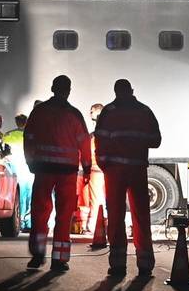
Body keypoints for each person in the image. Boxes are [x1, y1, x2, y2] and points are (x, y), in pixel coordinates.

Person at [22, 75, 90, 272]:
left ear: (52, 88)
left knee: (40, 212)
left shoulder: (39, 112)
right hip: (67, 171)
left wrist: (30, 161)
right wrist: (86, 167)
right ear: (68, 90)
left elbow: (29, 138)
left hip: (43, 169)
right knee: (64, 215)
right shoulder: (74, 115)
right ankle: (59, 260)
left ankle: (37, 255)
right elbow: (84, 142)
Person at [96, 79, 162, 277]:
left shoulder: (108, 112)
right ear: (132, 91)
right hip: (137, 168)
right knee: (141, 215)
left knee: (115, 215)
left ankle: (117, 264)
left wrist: (104, 163)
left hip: (114, 171)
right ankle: (145, 263)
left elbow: (99, 139)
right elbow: (156, 140)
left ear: (115, 91)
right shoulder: (144, 111)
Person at [3, 113, 32, 231]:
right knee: (29, 196)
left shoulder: (8, 135)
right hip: (28, 169)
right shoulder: (31, 135)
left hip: (15, 169)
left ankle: (18, 220)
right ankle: (28, 223)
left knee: (18, 195)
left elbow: (4, 152)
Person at [83, 103, 107, 237]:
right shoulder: (107, 131)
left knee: (96, 199)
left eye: (91, 111)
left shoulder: (95, 135)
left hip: (96, 169)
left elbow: (90, 151)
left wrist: (86, 167)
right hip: (106, 169)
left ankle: (93, 226)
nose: (89, 113)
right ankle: (103, 224)